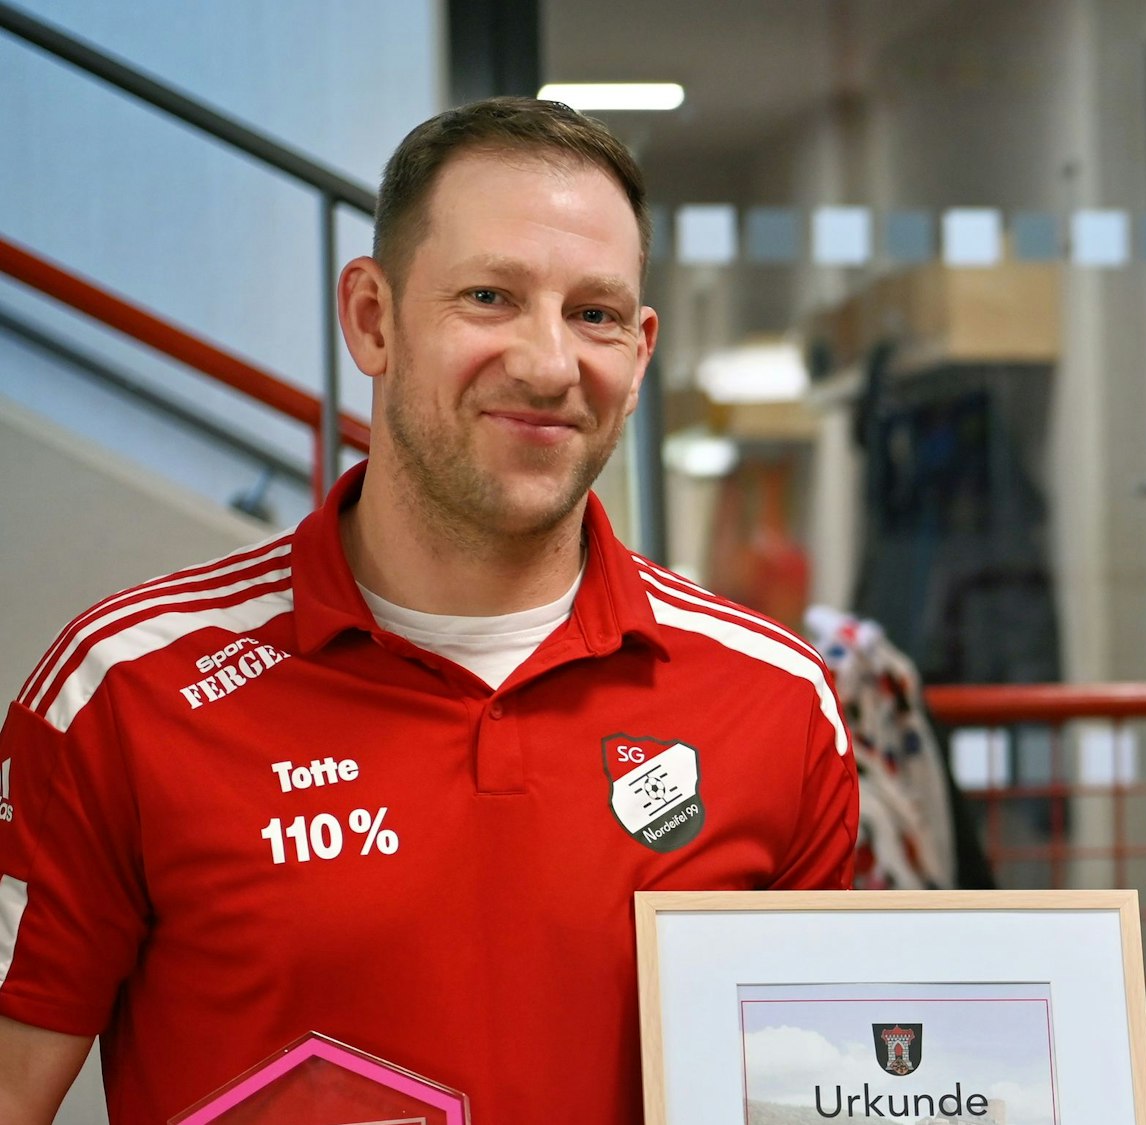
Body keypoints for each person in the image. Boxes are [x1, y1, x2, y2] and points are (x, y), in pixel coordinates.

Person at [0, 97, 857, 1123]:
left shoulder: (775, 701)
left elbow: (818, 1091)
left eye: (595, 314)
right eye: (490, 296)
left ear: (638, 354)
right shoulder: (121, 690)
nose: (547, 365)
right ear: (372, 318)